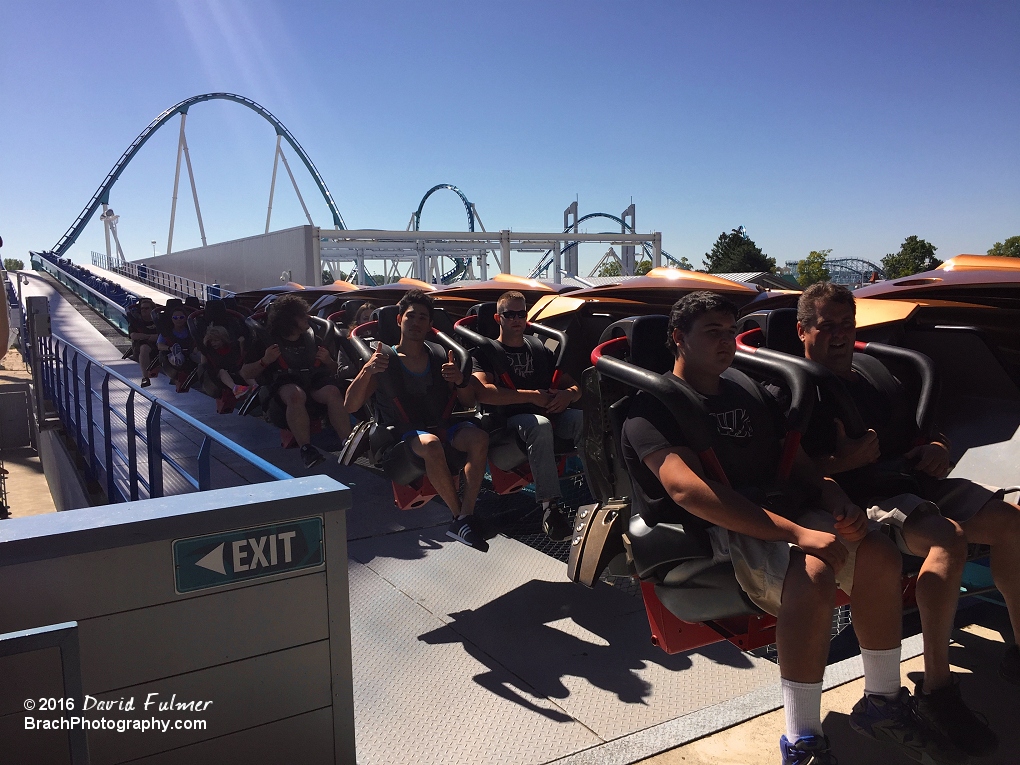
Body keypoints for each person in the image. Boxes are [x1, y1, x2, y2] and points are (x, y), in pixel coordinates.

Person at [621, 292, 959, 765]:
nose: (725, 343)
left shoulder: (746, 388)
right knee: (817, 569)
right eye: (711, 333)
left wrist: (834, 497)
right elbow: (687, 492)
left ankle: (882, 701)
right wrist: (797, 534)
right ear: (678, 339)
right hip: (724, 523)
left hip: (783, 510)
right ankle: (802, 739)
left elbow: (794, 460)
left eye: (729, 331)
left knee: (878, 550)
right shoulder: (651, 409)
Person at [797, 281, 1018, 755]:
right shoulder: (795, 389)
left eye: (846, 324)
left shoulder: (874, 373)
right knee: (948, 540)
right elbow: (787, 472)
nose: (838, 334)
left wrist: (940, 447)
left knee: (1012, 522)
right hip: (863, 496)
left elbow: (921, 428)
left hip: (913, 481)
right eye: (826, 325)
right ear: (803, 331)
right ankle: (938, 689)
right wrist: (842, 464)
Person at [344, 289, 490, 552]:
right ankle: (458, 516)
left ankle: (465, 516)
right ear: (399, 320)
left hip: (439, 429)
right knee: (431, 443)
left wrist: (460, 380)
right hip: (399, 439)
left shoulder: (439, 356)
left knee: (479, 437)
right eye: (411, 316)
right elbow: (350, 405)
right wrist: (366, 371)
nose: (416, 322)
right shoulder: (383, 361)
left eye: (423, 317)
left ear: (430, 324)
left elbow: (468, 402)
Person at [471, 290, 584, 540]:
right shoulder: (484, 353)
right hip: (505, 425)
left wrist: (568, 396)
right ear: (498, 318)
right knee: (539, 424)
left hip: (545, 417)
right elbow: (484, 393)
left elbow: (574, 386)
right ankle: (549, 509)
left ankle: (602, 494)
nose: (516, 319)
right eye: (509, 314)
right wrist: (532, 395)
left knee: (581, 419)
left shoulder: (539, 349)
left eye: (521, 314)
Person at [239, 293, 351, 469]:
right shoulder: (266, 342)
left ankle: (347, 442)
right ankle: (306, 449)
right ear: (289, 319)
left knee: (333, 392)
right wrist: (265, 361)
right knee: (295, 395)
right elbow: (245, 372)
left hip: (313, 383)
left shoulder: (313, 338)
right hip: (282, 390)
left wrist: (328, 360)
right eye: (301, 315)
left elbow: (335, 370)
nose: (307, 317)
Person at [201, 325, 249, 399]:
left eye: (216, 340)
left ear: (223, 339)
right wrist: (204, 346)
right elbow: (203, 364)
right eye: (211, 341)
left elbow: (240, 358)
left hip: (234, 370)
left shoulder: (232, 347)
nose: (213, 343)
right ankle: (235, 388)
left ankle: (255, 387)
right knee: (222, 372)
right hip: (216, 375)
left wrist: (241, 344)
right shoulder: (209, 349)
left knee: (244, 369)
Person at [157, 308, 199, 393]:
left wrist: (196, 349)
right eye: (175, 318)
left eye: (181, 317)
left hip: (189, 352)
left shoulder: (191, 331)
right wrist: (169, 348)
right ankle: (177, 360)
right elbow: (159, 345)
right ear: (171, 319)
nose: (178, 320)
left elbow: (196, 343)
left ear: (185, 318)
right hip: (171, 352)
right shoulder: (166, 332)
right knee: (176, 357)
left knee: (199, 355)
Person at [128, 298, 160, 387]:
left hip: (160, 344)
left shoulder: (158, 320)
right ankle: (145, 377)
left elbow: (165, 334)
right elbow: (133, 335)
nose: (144, 310)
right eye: (142, 309)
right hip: (142, 345)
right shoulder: (136, 321)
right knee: (144, 348)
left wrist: (145, 335)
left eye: (146, 308)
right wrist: (149, 337)